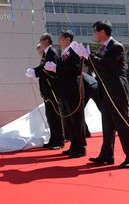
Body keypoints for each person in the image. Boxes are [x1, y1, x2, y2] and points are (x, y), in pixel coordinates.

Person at [86, 20, 129, 169]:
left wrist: (89, 56)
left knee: (123, 124)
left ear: (102, 32)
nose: (94, 35)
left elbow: (106, 65)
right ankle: (107, 155)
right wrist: (84, 56)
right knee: (107, 126)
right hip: (105, 91)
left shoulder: (116, 46)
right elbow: (96, 65)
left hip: (116, 91)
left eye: (95, 32)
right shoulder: (103, 48)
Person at [45, 30, 87, 159]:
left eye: (61, 39)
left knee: (76, 119)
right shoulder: (65, 52)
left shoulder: (74, 50)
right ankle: (74, 145)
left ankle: (80, 147)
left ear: (68, 39)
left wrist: (56, 68)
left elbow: (74, 68)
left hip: (73, 89)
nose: (59, 41)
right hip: (65, 89)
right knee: (69, 120)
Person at [31, 33, 64, 149]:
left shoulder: (52, 52)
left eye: (41, 40)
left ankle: (59, 140)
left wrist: (35, 72)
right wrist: (34, 71)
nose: (40, 42)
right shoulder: (46, 53)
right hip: (47, 89)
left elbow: (50, 69)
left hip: (52, 88)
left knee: (55, 114)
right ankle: (53, 139)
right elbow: (42, 67)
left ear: (46, 40)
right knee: (50, 115)